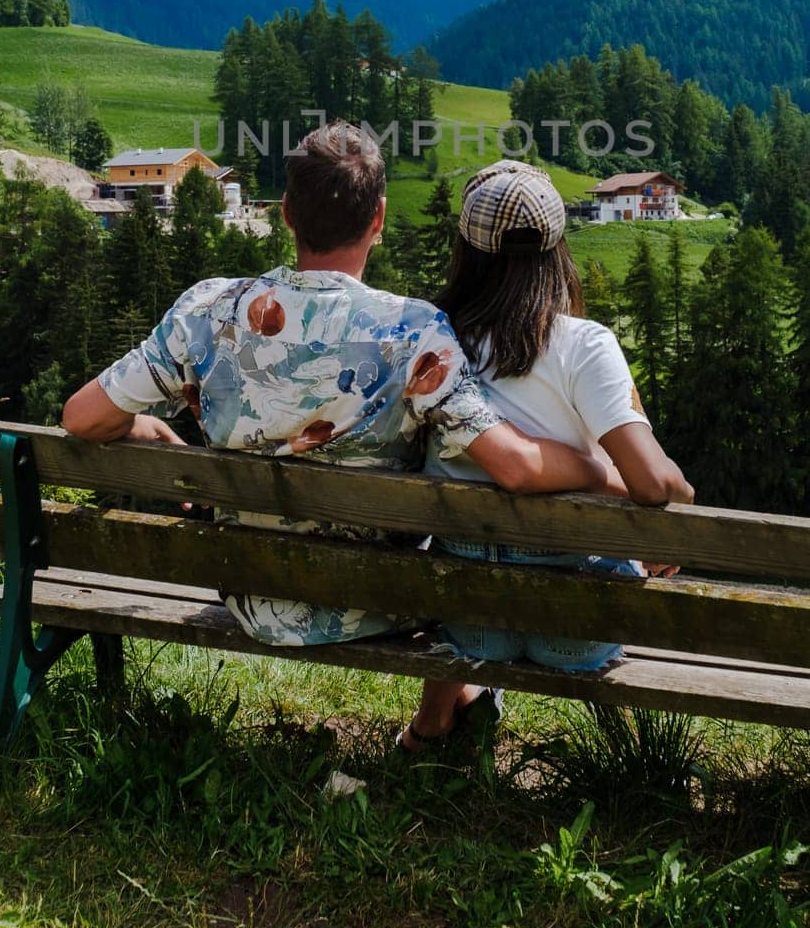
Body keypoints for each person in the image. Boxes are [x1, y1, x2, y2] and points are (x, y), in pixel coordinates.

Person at [62, 123, 623, 653]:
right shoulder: (414, 333)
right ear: (378, 218)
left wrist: (144, 425)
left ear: (285, 214)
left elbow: (82, 418)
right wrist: (601, 468)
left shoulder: (207, 308)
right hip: (378, 603)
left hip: (250, 596)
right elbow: (517, 467)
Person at [398, 159, 694, 753]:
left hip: (468, 616)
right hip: (572, 624)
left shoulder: (432, 342)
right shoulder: (585, 346)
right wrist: (657, 491)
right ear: (558, 246)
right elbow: (656, 484)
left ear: (467, 249)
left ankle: (436, 726)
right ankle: (632, 762)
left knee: (456, 549)